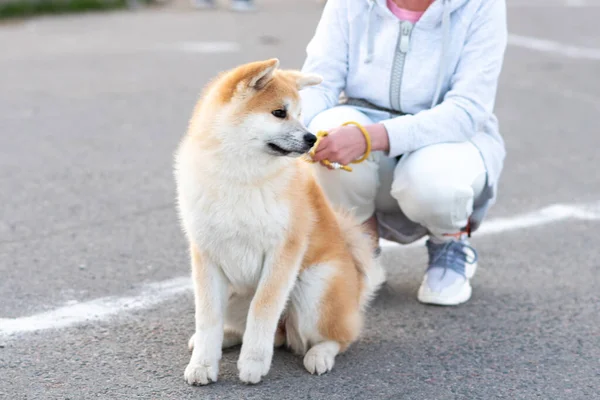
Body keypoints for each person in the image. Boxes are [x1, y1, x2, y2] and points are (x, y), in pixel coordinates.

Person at [300, 0, 508, 306]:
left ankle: (449, 242)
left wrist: (371, 137)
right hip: (363, 116)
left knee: (434, 185)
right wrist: (298, 133)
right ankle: (359, 248)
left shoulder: (482, 5)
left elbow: (467, 110)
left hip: (447, 135)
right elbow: (321, 82)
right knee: (325, 128)